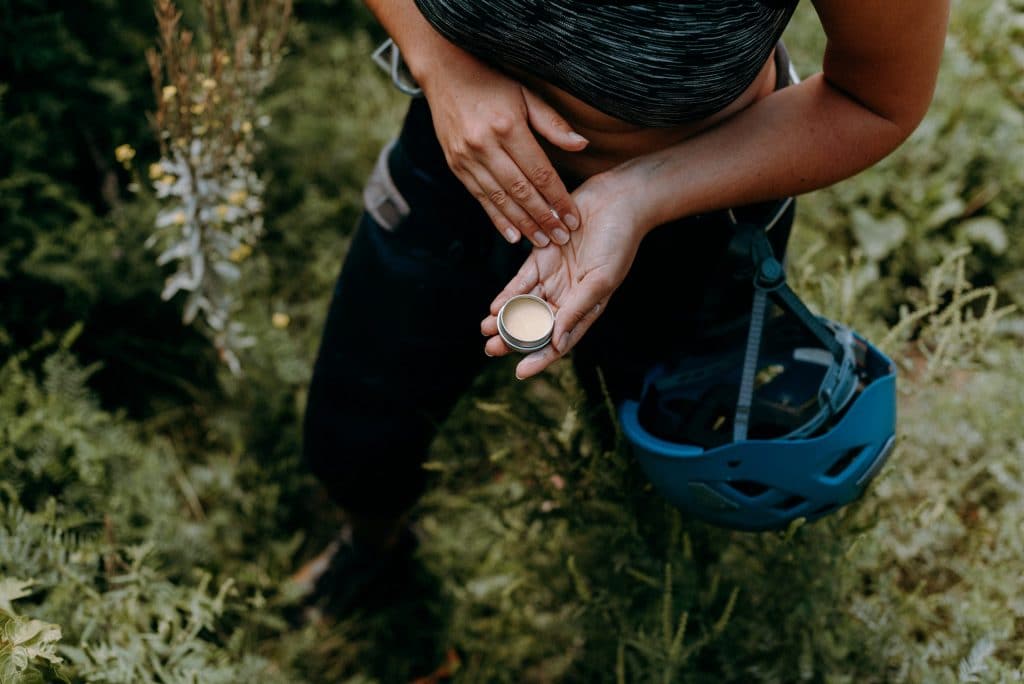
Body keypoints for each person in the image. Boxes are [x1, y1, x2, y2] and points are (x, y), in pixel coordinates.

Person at [296, 0, 950, 611]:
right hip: (457, 161)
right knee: (354, 432)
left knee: (641, 464)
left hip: (693, 207)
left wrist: (637, 197)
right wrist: (440, 63)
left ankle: (635, 593)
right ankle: (371, 549)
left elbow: (874, 101)